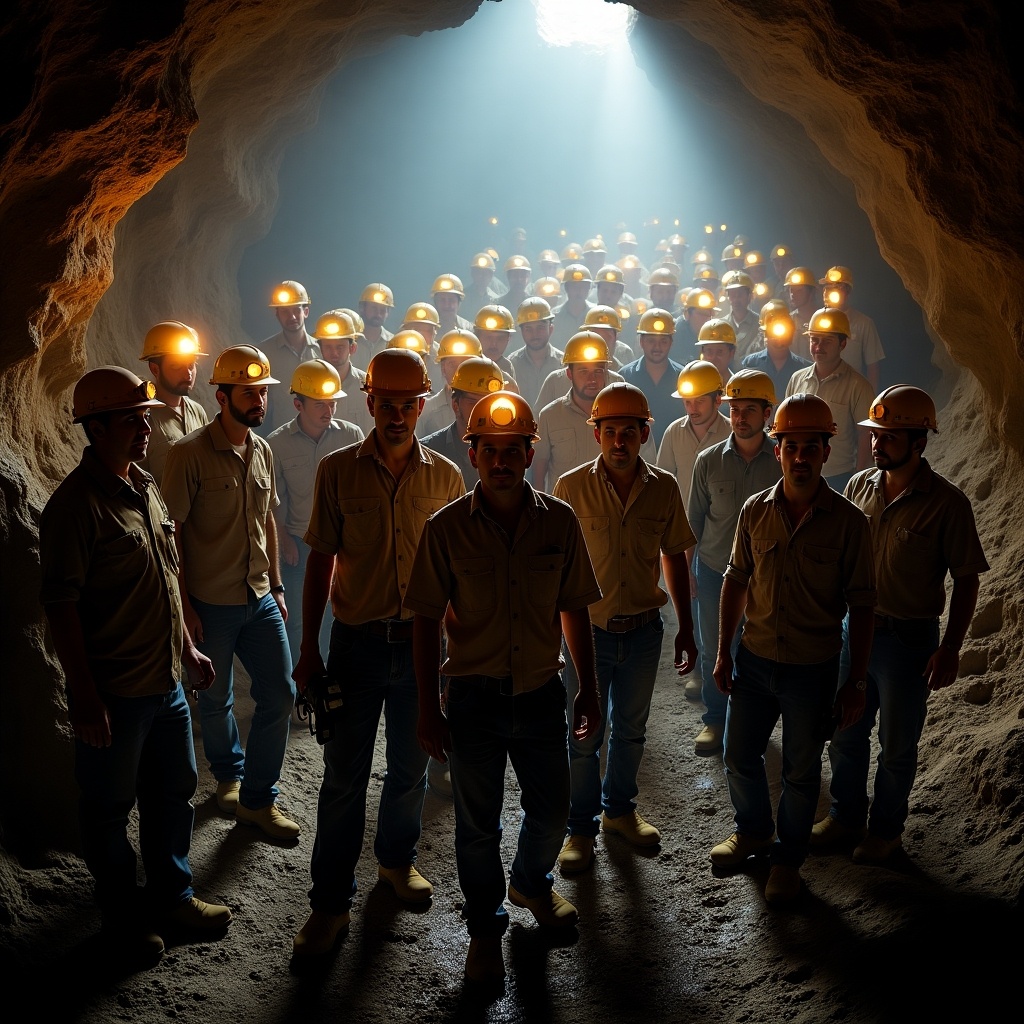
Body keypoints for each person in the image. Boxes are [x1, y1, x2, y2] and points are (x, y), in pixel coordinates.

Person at [406, 390, 601, 987]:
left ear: (529, 453)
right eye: (490, 451)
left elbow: (574, 609)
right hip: (473, 698)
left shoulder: (560, 521)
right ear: (473, 455)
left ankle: (529, 883)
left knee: (552, 812)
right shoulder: (446, 530)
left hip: (541, 691)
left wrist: (587, 687)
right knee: (477, 825)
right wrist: (426, 708)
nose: (501, 461)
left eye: (512, 450)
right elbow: (423, 618)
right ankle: (486, 933)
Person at [40, 366, 232, 957]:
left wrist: (187, 649)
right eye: (131, 418)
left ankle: (172, 896)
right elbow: (62, 608)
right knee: (107, 808)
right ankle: (123, 916)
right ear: (95, 427)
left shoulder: (143, 487)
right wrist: (85, 694)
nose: (145, 426)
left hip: (164, 683)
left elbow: (164, 580)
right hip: (117, 693)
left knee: (173, 792)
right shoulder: (74, 509)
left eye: (145, 416)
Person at [291, 348, 464, 958]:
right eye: (385, 404)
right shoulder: (338, 471)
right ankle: (329, 903)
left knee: (412, 767)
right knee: (343, 778)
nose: (396, 415)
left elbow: (455, 574)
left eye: (407, 404)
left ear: (422, 404)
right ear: (369, 403)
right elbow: (319, 562)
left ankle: (395, 859)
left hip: (419, 644)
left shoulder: (445, 476)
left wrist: (455, 653)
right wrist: (308, 649)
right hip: (358, 646)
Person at [708, 393, 876, 906]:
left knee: (802, 772)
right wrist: (722, 650)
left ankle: (787, 858)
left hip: (812, 668)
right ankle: (754, 829)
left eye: (811, 447)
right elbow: (735, 581)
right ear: (777, 451)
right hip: (755, 658)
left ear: (826, 452)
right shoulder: (755, 511)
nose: (800, 457)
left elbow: (863, 604)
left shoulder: (849, 523)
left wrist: (856, 679)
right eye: (791, 447)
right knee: (739, 756)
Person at [811, 386, 988, 864]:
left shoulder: (947, 504)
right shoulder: (857, 488)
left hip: (908, 640)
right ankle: (847, 817)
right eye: (875, 434)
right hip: (854, 632)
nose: (877, 443)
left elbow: (967, 578)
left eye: (890, 436)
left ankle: (886, 831)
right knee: (845, 732)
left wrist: (950, 647)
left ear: (919, 441)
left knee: (896, 744)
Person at [552, 383, 697, 872]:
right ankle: (579, 829)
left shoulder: (664, 488)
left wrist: (686, 626)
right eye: (610, 431)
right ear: (596, 434)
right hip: (587, 633)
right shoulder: (570, 489)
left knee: (631, 730)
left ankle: (619, 812)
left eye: (628, 432)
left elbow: (674, 555)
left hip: (641, 630)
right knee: (584, 731)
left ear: (644, 434)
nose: (619, 442)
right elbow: (555, 569)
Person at [161, 345, 299, 840]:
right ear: (222, 397)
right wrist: (185, 608)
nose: (260, 400)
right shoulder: (188, 454)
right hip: (211, 604)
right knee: (213, 698)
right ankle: (229, 777)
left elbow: (267, 518)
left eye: (263, 392)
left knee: (280, 694)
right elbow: (171, 533)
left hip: (259, 597)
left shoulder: (261, 450)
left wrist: (278, 588)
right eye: (250, 393)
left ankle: (259, 800)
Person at [687, 370, 782, 755]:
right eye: (734, 409)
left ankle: (752, 724)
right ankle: (716, 720)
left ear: (766, 413)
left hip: (766, 574)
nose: (739, 417)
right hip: (714, 571)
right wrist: (687, 576)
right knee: (714, 649)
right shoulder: (708, 461)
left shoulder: (780, 460)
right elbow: (693, 522)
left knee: (761, 648)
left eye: (748, 410)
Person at [267, 359, 363, 666]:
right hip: (302, 545)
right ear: (298, 403)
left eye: (332, 403)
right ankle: (303, 690)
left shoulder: (351, 436)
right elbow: (275, 501)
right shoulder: (277, 444)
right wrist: (285, 541)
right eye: (320, 404)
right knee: (299, 621)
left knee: (338, 618)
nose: (329, 411)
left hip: (343, 546)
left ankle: (332, 685)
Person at [656, 360, 732, 700]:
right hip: (683, 532)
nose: (692, 408)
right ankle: (702, 669)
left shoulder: (733, 432)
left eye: (700, 400)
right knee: (691, 602)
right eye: (687, 401)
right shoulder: (674, 433)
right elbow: (661, 483)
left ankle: (725, 668)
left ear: (718, 399)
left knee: (721, 605)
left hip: (721, 532)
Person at [532, 333, 656, 491]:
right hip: (565, 509)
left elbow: (649, 466)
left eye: (598, 371)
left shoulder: (628, 414)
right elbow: (539, 469)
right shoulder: (550, 415)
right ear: (569, 374)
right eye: (583, 371)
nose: (592, 379)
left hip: (613, 507)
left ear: (607, 371)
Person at [785, 307, 874, 491]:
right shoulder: (797, 379)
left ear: (842, 344)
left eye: (827, 341)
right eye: (814, 340)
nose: (818, 347)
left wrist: (856, 481)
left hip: (839, 478)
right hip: (798, 473)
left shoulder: (858, 385)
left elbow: (865, 435)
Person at [138, 321, 209, 485]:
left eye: (191, 365)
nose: (188, 373)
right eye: (176, 366)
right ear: (155, 369)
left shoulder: (197, 412)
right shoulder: (142, 416)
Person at [421, 355, 507, 487]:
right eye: (474, 403)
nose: (483, 410)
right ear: (455, 405)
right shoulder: (428, 453)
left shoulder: (510, 452)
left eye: (491, 402)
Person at [260, 280, 321, 436]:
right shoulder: (265, 352)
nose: (292, 316)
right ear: (277, 314)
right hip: (282, 437)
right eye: (285, 312)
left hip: (321, 434)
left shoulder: (322, 350)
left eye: (296, 310)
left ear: (306, 312)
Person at [619, 307, 685, 449]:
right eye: (651, 341)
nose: (657, 347)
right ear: (641, 342)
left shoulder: (683, 377)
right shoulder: (624, 377)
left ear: (671, 343)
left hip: (675, 450)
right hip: (634, 451)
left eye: (663, 341)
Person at [819, 266, 886, 389]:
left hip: (852, 391)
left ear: (848, 292)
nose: (830, 292)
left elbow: (873, 367)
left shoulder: (864, 323)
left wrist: (871, 400)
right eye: (827, 287)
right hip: (821, 390)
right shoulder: (816, 321)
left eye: (838, 288)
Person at [313, 308, 374, 436]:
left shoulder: (367, 386)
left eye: (340, 347)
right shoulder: (308, 384)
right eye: (328, 347)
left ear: (352, 348)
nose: (334, 353)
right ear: (320, 348)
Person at [418, 329, 484, 436]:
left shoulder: (491, 406)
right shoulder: (427, 412)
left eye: (467, 364)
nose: (459, 371)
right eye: (453, 364)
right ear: (443, 368)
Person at [741, 303, 811, 399]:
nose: (779, 340)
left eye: (784, 334)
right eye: (774, 334)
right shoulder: (750, 363)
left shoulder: (805, 369)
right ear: (765, 334)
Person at [507, 296, 564, 407]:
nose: (535, 334)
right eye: (528, 329)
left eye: (540, 327)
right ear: (521, 332)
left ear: (551, 329)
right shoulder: (511, 364)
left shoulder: (564, 364)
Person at [351, 282, 395, 371]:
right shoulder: (349, 341)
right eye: (374, 308)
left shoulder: (394, 344)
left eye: (383, 310)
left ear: (388, 313)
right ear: (362, 308)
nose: (378, 313)